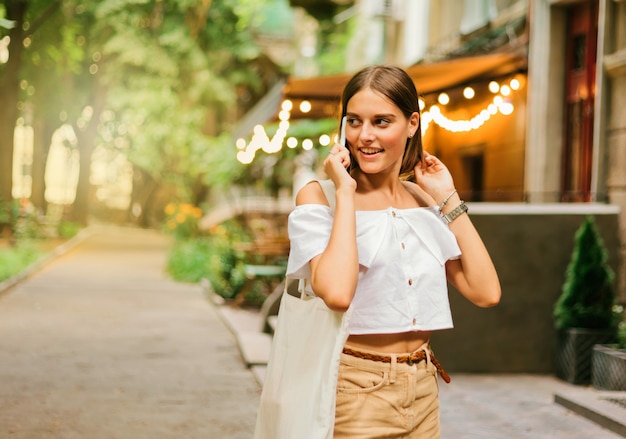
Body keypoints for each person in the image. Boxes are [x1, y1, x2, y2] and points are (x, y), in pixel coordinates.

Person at [285, 65, 501, 438]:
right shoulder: (322, 197)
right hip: (354, 389)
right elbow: (336, 293)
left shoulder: (421, 200)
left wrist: (448, 198)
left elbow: (486, 292)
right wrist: (347, 192)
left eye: (381, 122)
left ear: (412, 123)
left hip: (423, 387)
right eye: (354, 121)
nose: (364, 136)